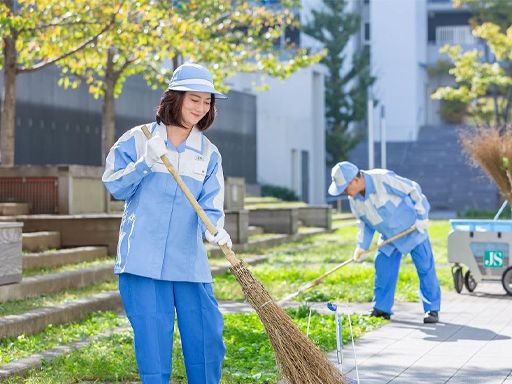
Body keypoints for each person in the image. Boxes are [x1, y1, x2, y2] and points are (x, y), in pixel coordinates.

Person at [102, 62, 231, 383]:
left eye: (207, 102)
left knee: (207, 337)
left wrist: (216, 229)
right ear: (175, 98)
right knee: (153, 346)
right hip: (142, 262)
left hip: (188, 263)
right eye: (194, 99)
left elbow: (211, 204)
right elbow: (114, 186)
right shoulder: (139, 139)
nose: (201, 108)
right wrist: (146, 161)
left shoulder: (208, 153)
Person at [328, 161, 441, 324]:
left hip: (413, 229)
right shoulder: (355, 200)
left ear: (355, 180)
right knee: (383, 267)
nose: (345, 192)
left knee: (425, 268)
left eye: (345, 188)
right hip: (389, 237)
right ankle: (381, 308)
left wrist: (422, 217)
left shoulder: (382, 179)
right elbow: (364, 224)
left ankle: (432, 309)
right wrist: (361, 247)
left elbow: (413, 188)